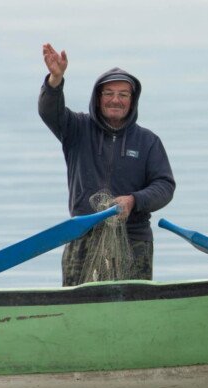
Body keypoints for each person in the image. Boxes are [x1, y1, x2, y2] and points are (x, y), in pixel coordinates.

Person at [39, 43, 176, 286]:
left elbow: (164, 186)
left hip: (134, 240)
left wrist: (133, 200)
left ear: (132, 101)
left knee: (133, 309)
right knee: (76, 307)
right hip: (82, 236)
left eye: (123, 95)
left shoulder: (148, 141)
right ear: (98, 97)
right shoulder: (76, 129)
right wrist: (55, 80)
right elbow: (50, 111)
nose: (116, 100)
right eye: (109, 93)